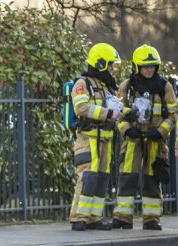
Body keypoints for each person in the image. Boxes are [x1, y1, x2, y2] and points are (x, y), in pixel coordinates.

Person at [112, 44, 177, 230]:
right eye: (145, 66)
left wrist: (161, 131)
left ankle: (151, 219)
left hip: (156, 141)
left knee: (152, 180)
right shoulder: (128, 86)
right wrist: (126, 130)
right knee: (127, 177)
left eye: (152, 66)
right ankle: (123, 217)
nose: (149, 70)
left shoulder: (165, 87)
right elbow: (117, 112)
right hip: (133, 140)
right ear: (137, 67)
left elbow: (173, 115)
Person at [68, 43, 123, 231]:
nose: (111, 69)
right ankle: (78, 218)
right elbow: (81, 108)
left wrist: (128, 112)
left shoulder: (105, 86)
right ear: (100, 63)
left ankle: (94, 218)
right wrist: (107, 114)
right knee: (87, 177)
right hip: (88, 139)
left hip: (105, 139)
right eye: (109, 64)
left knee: (101, 179)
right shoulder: (82, 84)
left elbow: (114, 107)